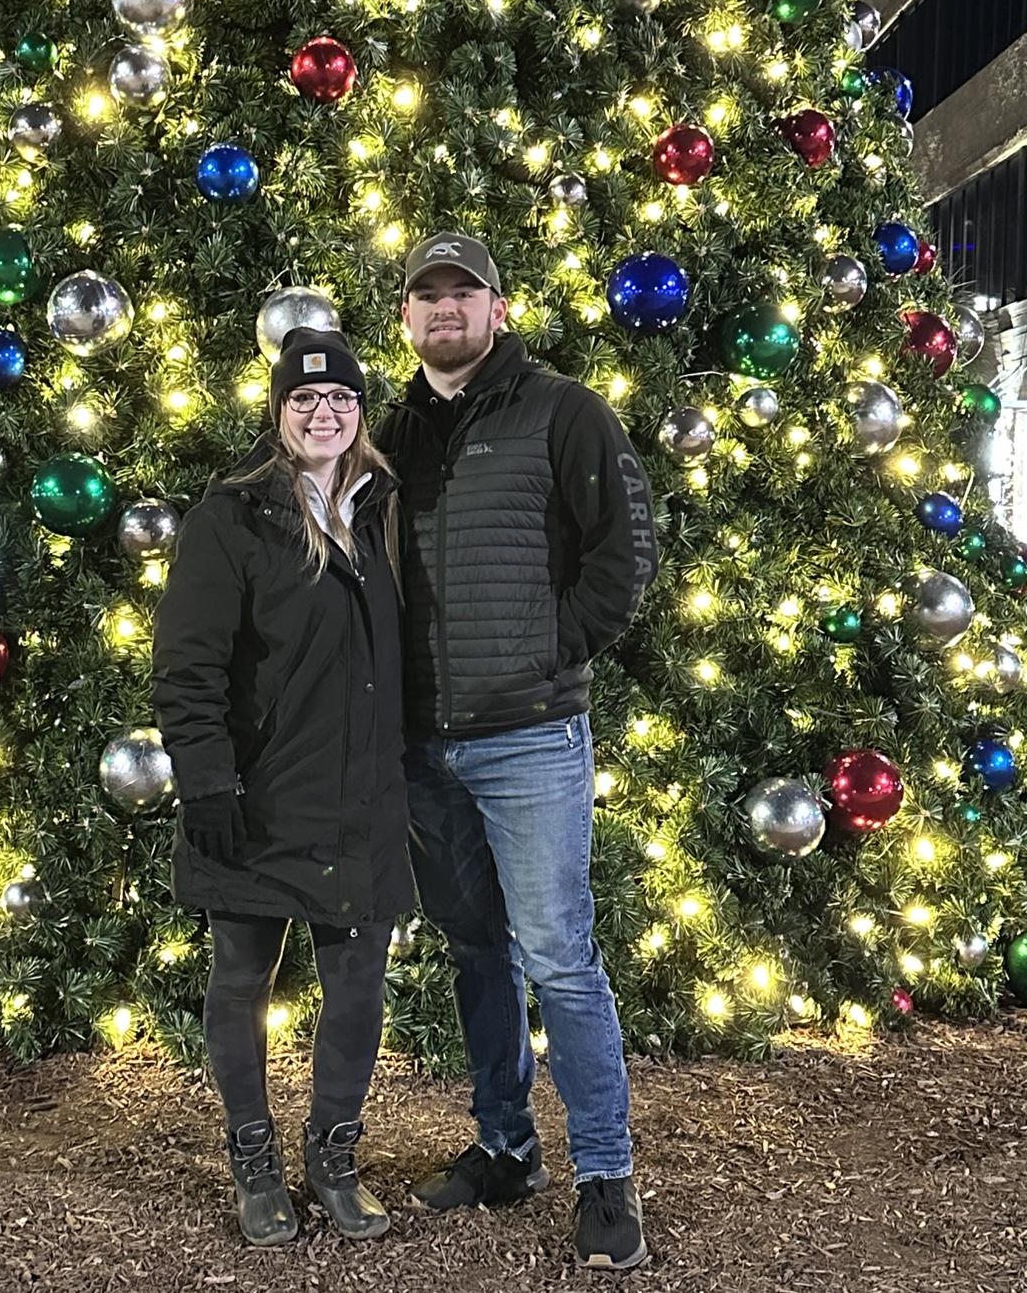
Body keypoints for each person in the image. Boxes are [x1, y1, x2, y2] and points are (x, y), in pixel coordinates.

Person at [373, 232, 660, 1272]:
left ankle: (605, 1174)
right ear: (406, 317)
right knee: (474, 951)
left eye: (465, 292)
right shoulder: (388, 432)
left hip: (529, 737)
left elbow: (625, 553)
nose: (445, 309)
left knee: (560, 958)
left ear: (500, 308)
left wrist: (551, 651)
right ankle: (505, 1147)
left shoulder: (562, 411)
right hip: (422, 743)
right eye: (426, 295)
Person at [151, 327, 410, 1248]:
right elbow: (188, 663)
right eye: (304, 400)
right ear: (278, 412)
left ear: (359, 411)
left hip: (362, 801)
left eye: (340, 398)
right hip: (257, 798)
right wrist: (206, 782)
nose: (324, 413)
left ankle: (334, 1159)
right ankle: (254, 1162)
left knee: (355, 991)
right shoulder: (235, 515)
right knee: (241, 982)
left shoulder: (386, 508)